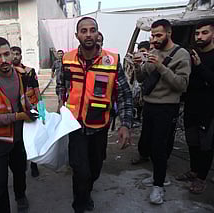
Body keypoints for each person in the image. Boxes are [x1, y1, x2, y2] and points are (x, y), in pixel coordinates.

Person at [56, 17, 133, 213]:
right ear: (77, 35)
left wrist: (125, 124)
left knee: (95, 169)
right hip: (74, 126)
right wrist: (61, 105)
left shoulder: (113, 61)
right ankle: (79, 205)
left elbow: (125, 95)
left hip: (100, 125)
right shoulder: (66, 60)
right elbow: (61, 85)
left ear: (98, 34)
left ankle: (86, 192)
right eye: (84, 31)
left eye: (92, 30)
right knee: (80, 171)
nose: (88, 34)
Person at [0, 37, 37, 213]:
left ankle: (20, 196)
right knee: (0, 185)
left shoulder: (21, 75)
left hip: (18, 139)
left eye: (6, 54)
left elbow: (24, 102)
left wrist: (34, 112)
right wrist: (19, 116)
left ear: (12, 53)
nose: (3, 60)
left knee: (20, 173)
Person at [133, 19, 191, 204]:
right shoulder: (154, 51)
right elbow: (143, 78)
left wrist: (160, 66)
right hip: (149, 105)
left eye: (158, 35)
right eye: (152, 35)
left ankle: (159, 185)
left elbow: (182, 85)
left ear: (169, 33)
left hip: (167, 107)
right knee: (149, 143)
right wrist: (136, 65)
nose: (154, 39)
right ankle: (159, 175)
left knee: (159, 146)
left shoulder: (182, 55)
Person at [175, 20, 214, 194]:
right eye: (197, 33)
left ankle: (201, 179)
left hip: (209, 110)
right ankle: (194, 170)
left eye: (204, 33)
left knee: (206, 145)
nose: (199, 36)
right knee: (192, 142)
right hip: (191, 106)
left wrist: (199, 66)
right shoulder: (191, 54)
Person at [11, 46, 41, 177]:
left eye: (17, 54)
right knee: (20, 140)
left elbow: (36, 89)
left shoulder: (29, 71)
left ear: (21, 56)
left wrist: (41, 107)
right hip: (17, 111)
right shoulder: (8, 73)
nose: (15, 56)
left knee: (33, 138)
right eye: (13, 54)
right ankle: (21, 164)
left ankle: (34, 164)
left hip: (31, 108)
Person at [131, 41, 151, 165]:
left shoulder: (154, 62)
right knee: (146, 130)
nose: (142, 54)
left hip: (154, 100)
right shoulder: (139, 63)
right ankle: (143, 154)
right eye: (140, 51)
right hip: (142, 97)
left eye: (144, 52)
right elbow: (138, 79)